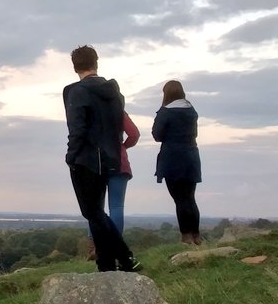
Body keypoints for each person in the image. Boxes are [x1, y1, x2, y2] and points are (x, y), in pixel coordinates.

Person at [63, 45, 142, 273]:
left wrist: (70, 155)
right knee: (98, 212)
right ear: (96, 62)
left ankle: (126, 257)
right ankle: (105, 264)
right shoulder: (115, 93)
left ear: (75, 66)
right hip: (110, 158)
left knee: (93, 212)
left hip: (85, 159)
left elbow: (77, 128)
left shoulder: (76, 92)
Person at [152, 80, 203, 244]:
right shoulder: (192, 111)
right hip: (191, 156)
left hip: (172, 157)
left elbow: (157, 135)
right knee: (190, 197)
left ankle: (186, 235)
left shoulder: (166, 112)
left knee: (179, 199)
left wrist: (161, 109)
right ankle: (196, 234)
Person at [86, 111, 140, 258]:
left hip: (95, 162)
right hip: (118, 161)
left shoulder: (89, 110)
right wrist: (123, 147)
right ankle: (115, 247)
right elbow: (134, 134)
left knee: (95, 208)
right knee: (116, 207)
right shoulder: (118, 111)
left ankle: (94, 248)